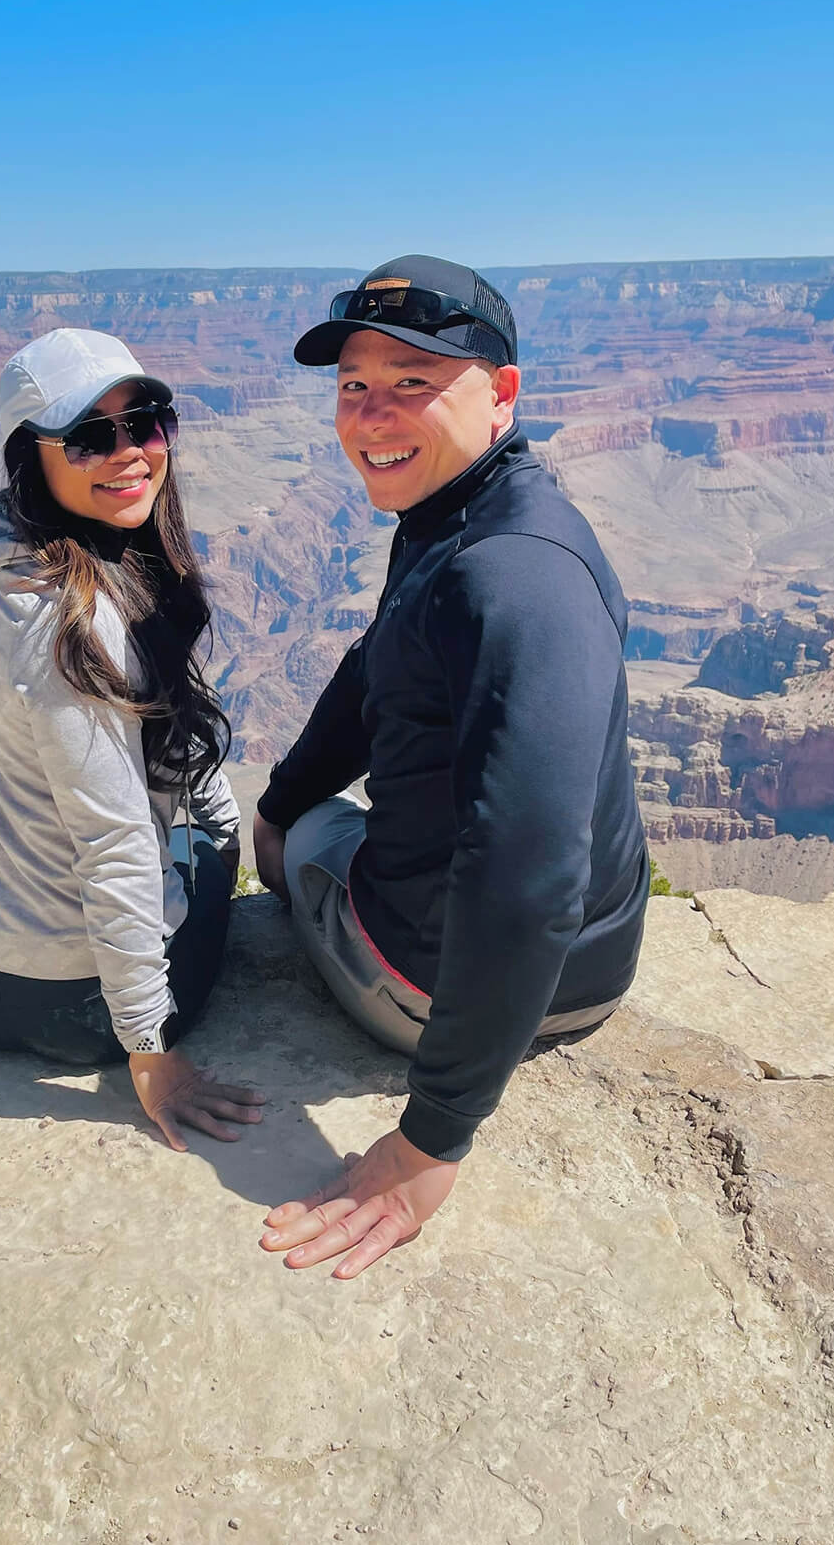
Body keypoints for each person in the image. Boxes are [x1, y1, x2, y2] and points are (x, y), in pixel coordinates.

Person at [252, 256, 648, 1278]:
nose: (372, 415)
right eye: (352, 385)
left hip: (461, 984)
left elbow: (530, 874)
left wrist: (432, 1138)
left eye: (412, 382)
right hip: (583, 961)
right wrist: (281, 790)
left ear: (502, 391)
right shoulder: (474, 509)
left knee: (306, 846)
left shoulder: (513, 575)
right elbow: (378, 660)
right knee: (297, 814)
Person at [0, 326, 265, 1152]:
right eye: (88, 437)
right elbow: (113, 840)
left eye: (144, 422)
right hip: (68, 1004)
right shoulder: (73, 623)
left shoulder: (23, 569)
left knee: (210, 835)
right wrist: (152, 1056)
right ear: (32, 460)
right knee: (217, 864)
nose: (128, 453)